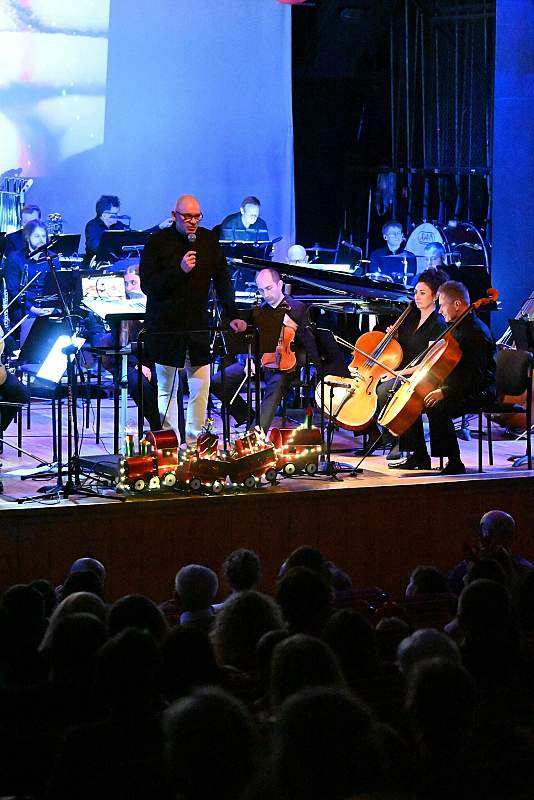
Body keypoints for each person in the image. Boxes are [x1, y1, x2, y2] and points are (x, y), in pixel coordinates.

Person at [139, 194, 246, 442]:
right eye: (187, 216)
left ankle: (195, 441)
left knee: (201, 387)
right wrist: (179, 270)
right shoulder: (157, 242)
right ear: (174, 215)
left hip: (198, 326)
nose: (193, 222)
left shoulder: (208, 240)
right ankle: (171, 442)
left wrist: (232, 314)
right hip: (166, 327)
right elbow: (149, 286)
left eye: (197, 216)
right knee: (167, 389)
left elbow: (223, 280)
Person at [389, 280, 496, 474]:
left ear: (457, 304)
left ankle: (454, 461)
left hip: (480, 389)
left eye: (442, 305)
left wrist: (444, 391)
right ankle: (419, 455)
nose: (439, 311)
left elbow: (474, 375)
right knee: (414, 398)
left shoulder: (475, 333)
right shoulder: (457, 326)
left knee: (436, 405)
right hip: (460, 384)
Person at [210, 267, 321, 432]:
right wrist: (248, 360)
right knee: (217, 382)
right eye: (261, 290)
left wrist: (296, 328)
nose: (266, 294)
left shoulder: (298, 308)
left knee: (274, 387)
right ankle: (248, 417)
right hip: (261, 362)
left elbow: (310, 343)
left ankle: (255, 434)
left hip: (286, 366)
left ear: (280, 285)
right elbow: (250, 341)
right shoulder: (261, 309)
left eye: (269, 288)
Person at [373, 269, 448, 460]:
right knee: (376, 386)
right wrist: (395, 336)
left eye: (422, 293)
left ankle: (402, 444)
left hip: (423, 375)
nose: (417, 297)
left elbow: (428, 362)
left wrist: (398, 374)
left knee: (385, 390)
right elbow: (404, 348)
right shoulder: (410, 318)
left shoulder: (438, 323)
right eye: (415, 292)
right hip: (403, 371)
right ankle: (391, 440)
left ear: (435, 296)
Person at [84, 195, 172, 263]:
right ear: (104, 215)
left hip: (116, 265)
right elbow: (94, 247)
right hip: (96, 267)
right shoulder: (92, 226)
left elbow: (136, 237)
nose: (118, 216)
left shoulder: (119, 226)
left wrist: (160, 227)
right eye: (115, 214)